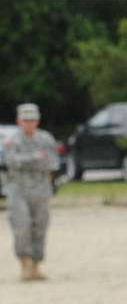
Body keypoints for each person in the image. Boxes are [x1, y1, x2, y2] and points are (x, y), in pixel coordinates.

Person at [3, 103, 59, 281]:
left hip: (41, 188)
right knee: (21, 225)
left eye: (33, 120)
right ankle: (24, 263)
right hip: (18, 188)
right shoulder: (12, 141)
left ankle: (36, 265)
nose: (29, 123)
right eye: (26, 120)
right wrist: (35, 158)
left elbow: (52, 163)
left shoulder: (46, 139)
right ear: (19, 120)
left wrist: (28, 160)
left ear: (38, 120)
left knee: (40, 225)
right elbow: (11, 161)